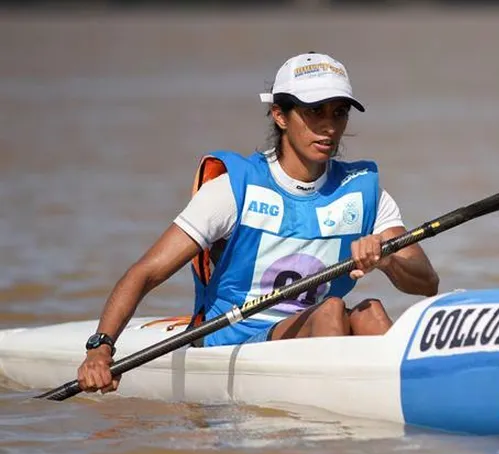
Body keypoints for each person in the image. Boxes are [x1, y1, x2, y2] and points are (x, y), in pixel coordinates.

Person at [76, 52, 440, 394]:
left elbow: (426, 283)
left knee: (370, 312)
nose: (329, 127)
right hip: (231, 339)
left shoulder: (361, 192)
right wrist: (101, 348)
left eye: (339, 112)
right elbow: (145, 273)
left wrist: (387, 260)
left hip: (314, 332)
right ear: (280, 115)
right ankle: (338, 427)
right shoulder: (233, 190)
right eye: (314, 112)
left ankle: (406, 405)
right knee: (331, 310)